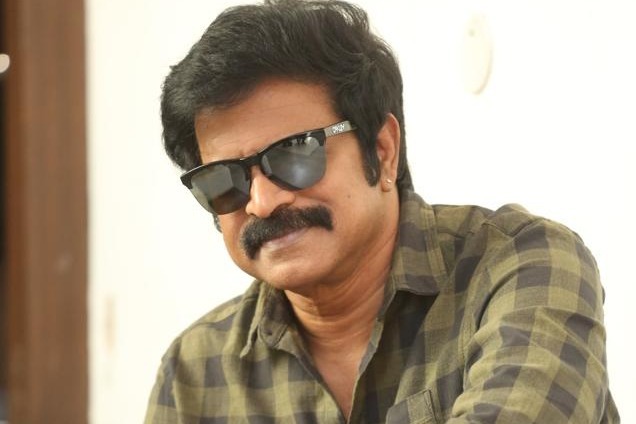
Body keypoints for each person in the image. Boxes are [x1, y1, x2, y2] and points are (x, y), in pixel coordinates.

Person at [144, 1, 619, 422]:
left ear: (383, 150)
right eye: (225, 179)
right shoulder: (193, 372)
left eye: (295, 154)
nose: (263, 202)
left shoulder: (523, 267)